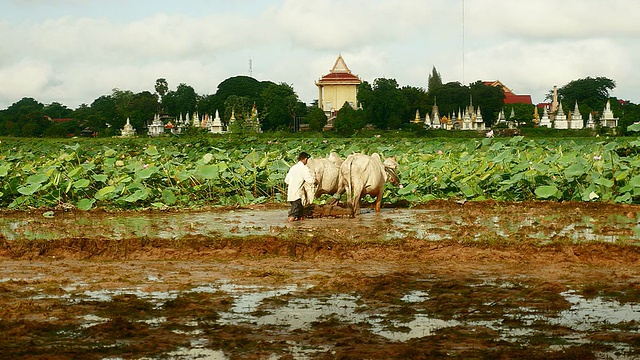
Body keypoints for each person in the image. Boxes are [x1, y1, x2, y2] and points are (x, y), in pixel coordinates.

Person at [284, 151, 315, 221]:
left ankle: (299, 229)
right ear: (305, 159)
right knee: (293, 215)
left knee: (300, 214)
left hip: (291, 194)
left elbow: (286, 180)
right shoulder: (304, 168)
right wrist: (315, 179)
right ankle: (287, 228)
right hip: (297, 195)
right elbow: (310, 181)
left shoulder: (293, 168)